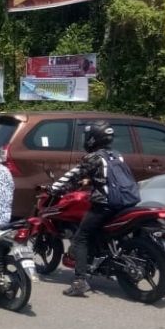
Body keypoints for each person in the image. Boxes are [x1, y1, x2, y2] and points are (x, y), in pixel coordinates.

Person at [50, 120, 132, 298]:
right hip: (125, 202)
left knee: (80, 238)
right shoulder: (117, 155)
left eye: (88, 137)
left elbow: (73, 175)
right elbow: (110, 178)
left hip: (105, 204)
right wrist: (91, 181)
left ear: (94, 138)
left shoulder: (93, 157)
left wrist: (54, 188)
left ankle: (80, 281)